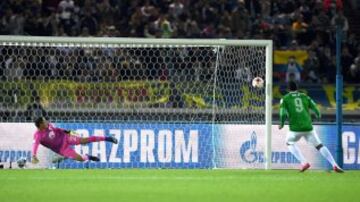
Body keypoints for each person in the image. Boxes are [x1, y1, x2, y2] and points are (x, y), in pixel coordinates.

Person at [279, 81, 343, 173]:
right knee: (319, 145)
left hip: (295, 129)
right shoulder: (305, 96)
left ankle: (304, 162)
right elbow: (315, 108)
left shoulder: (284, 99)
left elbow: (282, 113)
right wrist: (318, 115)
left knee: (289, 143)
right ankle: (334, 164)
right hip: (308, 127)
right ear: (297, 88)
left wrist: (281, 124)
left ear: (288, 89)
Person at [31, 117, 117, 164]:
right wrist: (34, 155)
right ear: (41, 124)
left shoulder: (49, 125)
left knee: (84, 140)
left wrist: (69, 132)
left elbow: (57, 129)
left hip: (65, 137)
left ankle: (108, 138)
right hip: (62, 149)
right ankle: (88, 157)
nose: (46, 121)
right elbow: (35, 145)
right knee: (80, 159)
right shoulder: (38, 135)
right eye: (44, 121)